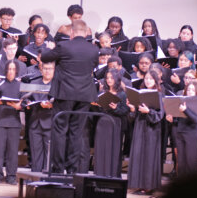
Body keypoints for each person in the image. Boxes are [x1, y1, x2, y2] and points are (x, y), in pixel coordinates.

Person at [41, 20, 99, 173]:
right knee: (76, 131)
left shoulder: (64, 46)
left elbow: (45, 58)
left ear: (71, 32)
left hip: (65, 93)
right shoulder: (93, 50)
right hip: (85, 95)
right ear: (86, 33)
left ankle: (58, 168)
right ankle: (72, 168)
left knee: (60, 130)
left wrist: (48, 48)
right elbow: (93, 66)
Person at [126, 70, 165, 194]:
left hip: (152, 129)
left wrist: (148, 111)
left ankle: (148, 186)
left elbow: (160, 115)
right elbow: (132, 117)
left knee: (149, 156)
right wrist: (132, 109)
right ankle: (138, 184)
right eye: (146, 79)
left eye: (151, 79)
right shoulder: (140, 93)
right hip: (139, 126)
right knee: (138, 154)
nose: (148, 81)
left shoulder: (159, 94)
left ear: (156, 81)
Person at [0, 61, 22, 184]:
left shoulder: (20, 85)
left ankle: (11, 176)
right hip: (1, 120)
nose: (10, 71)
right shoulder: (0, 84)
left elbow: (24, 103)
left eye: (13, 69)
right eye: (9, 69)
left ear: (16, 71)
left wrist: (20, 106)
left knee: (13, 151)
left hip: (14, 122)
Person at [94, 69, 129, 177]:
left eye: (111, 78)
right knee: (101, 148)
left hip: (115, 123)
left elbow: (125, 111)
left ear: (117, 79)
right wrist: (97, 106)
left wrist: (115, 108)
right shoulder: (102, 92)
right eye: (107, 78)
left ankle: (112, 175)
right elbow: (98, 110)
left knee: (113, 149)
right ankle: (100, 174)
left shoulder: (122, 94)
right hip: (102, 122)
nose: (109, 80)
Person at [24, 61, 55, 173]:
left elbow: (62, 104)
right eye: (45, 68)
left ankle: (46, 182)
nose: (47, 71)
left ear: (54, 70)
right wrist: (26, 103)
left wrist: (51, 105)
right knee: (35, 154)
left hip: (50, 123)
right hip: (35, 122)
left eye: (50, 69)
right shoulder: (34, 83)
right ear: (41, 70)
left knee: (49, 155)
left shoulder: (56, 85)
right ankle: (35, 180)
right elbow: (24, 98)